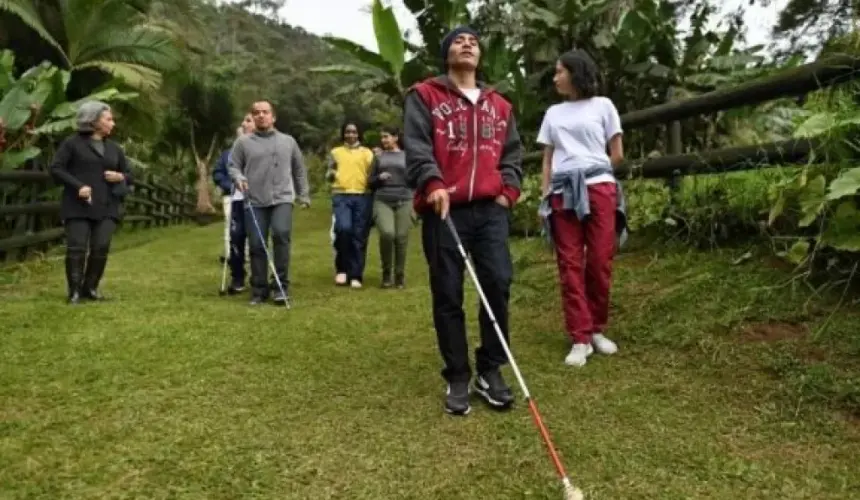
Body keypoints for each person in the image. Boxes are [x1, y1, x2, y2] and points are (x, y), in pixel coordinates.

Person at [403, 26, 524, 416]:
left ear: (480, 56)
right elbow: (418, 146)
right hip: (443, 208)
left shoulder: (500, 105)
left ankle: (490, 369)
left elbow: (512, 155)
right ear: (446, 54)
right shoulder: (424, 96)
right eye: (459, 40)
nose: (467, 44)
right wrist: (433, 182)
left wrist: (508, 193)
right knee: (447, 291)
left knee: (498, 282)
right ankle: (457, 374)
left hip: (490, 211)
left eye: (473, 41)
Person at [536, 49, 628, 367]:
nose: (555, 77)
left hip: (599, 187)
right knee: (569, 263)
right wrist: (545, 195)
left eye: (559, 71)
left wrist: (591, 171)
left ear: (575, 72)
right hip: (562, 192)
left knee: (600, 260)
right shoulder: (553, 114)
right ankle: (580, 337)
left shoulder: (604, 106)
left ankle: (596, 328)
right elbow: (547, 159)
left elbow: (616, 152)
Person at [228, 100, 311, 306]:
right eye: (256, 113)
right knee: (257, 244)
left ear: (273, 117)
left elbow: (299, 169)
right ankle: (259, 289)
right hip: (254, 201)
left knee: (281, 235)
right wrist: (238, 178)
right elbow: (233, 166)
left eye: (265, 112)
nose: (261, 116)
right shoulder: (243, 142)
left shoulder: (288, 141)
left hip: (282, 198)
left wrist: (304, 194)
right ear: (253, 117)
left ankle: (281, 286)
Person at [50, 101, 133, 304]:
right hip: (78, 205)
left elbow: (130, 175)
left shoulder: (115, 149)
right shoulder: (72, 144)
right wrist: (78, 186)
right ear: (94, 121)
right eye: (108, 119)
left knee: (101, 247)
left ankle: (91, 288)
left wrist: (120, 176)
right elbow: (56, 168)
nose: (112, 123)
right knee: (76, 247)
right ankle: (75, 291)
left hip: (107, 205)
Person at [325, 122, 374, 288]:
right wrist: (331, 174)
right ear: (343, 134)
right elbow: (329, 173)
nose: (351, 135)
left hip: (362, 195)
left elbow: (372, 174)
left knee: (358, 235)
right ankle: (342, 269)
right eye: (347, 132)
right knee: (343, 229)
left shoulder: (367, 153)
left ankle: (356, 274)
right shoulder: (336, 152)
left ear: (359, 134)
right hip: (341, 195)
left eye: (354, 132)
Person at [212, 114, 255, 293]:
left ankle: (258, 278)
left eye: (248, 121)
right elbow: (218, 173)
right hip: (236, 199)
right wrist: (230, 185)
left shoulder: (264, 148)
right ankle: (237, 277)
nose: (244, 125)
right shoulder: (228, 154)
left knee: (257, 240)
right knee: (235, 238)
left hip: (258, 201)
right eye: (244, 122)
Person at [367, 126, 412, 289]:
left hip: (405, 199)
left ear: (396, 138)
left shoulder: (408, 156)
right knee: (387, 233)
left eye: (386, 137)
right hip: (383, 199)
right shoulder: (379, 157)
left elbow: (415, 178)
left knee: (401, 237)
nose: (383, 140)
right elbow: (369, 181)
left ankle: (399, 275)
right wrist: (379, 177)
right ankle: (386, 273)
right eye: (382, 137)